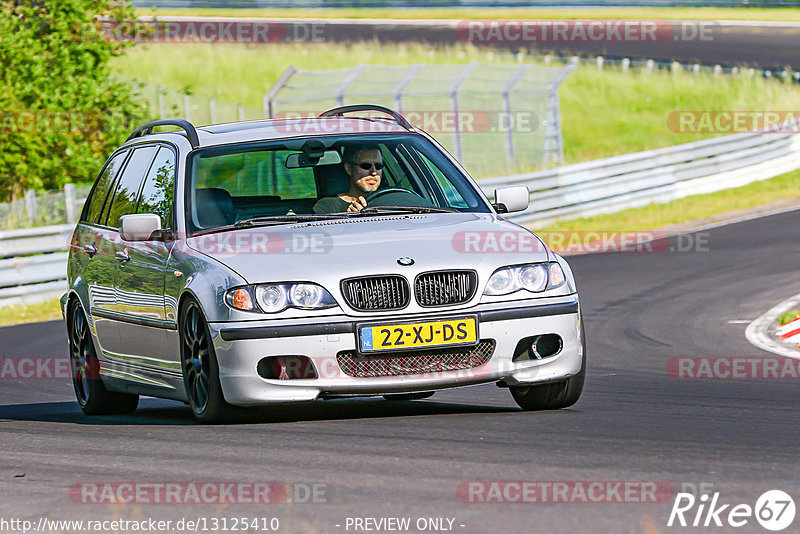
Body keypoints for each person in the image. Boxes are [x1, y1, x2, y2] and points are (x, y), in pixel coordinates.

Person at [313, 144, 384, 214]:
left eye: (378, 166)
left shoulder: (390, 202)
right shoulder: (327, 206)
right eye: (366, 166)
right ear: (349, 168)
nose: (374, 172)